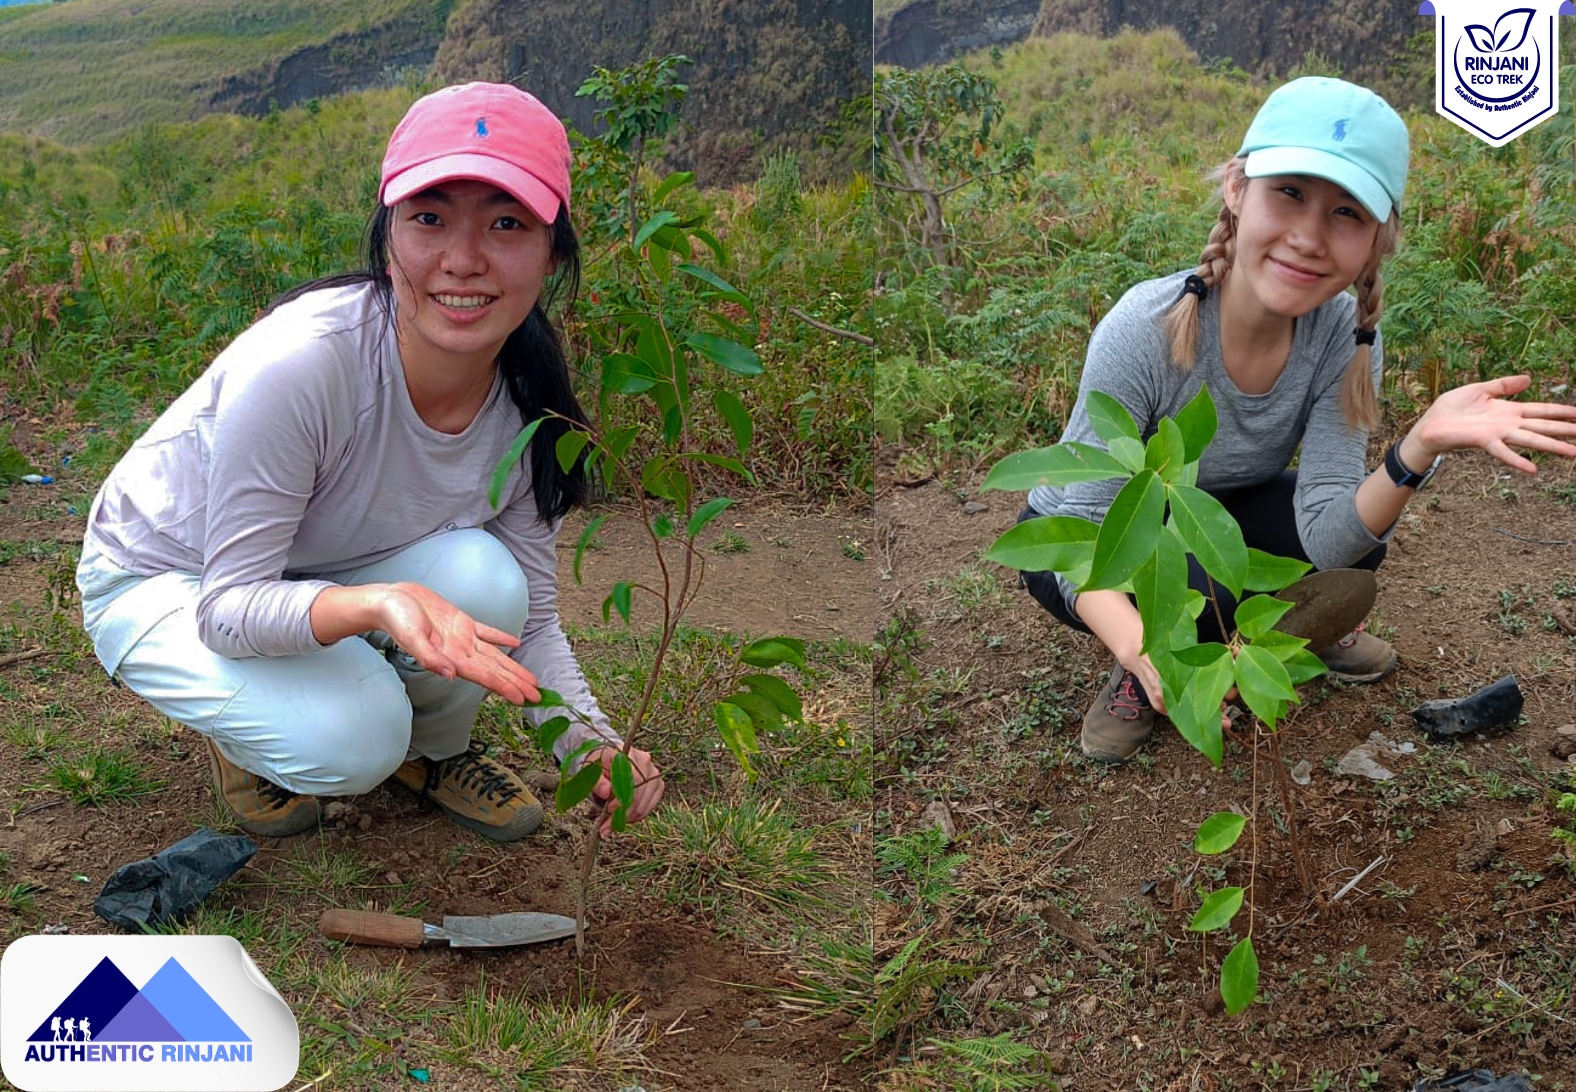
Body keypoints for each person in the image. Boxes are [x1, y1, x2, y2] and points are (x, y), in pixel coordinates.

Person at [76, 82, 665, 839]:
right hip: (173, 578)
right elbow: (227, 609)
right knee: (354, 737)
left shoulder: (530, 404)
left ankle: (432, 753)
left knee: (489, 580)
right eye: (429, 218)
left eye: (507, 223)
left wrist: (591, 742)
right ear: (389, 237)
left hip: (310, 568)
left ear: (553, 252)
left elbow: (535, 621)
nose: (463, 261)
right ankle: (249, 738)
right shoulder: (306, 365)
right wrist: (379, 603)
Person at [1019, 77, 1576, 763]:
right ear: (1237, 188)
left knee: (1359, 539)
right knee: (1194, 589)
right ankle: (1143, 666)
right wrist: (1150, 653)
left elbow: (1331, 534)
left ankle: (1278, 636)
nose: (1309, 237)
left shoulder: (1345, 334)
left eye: (1346, 212)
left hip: (1223, 503)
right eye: (1288, 192)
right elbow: (1086, 545)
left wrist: (1418, 446)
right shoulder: (1144, 330)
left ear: (1377, 239)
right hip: (1088, 537)